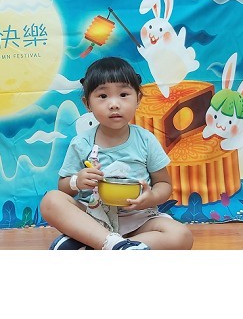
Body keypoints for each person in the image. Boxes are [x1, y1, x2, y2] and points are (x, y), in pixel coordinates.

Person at [40, 56, 194, 250]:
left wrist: (151, 198)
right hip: (94, 217)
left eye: (123, 94)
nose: (114, 104)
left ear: (138, 99)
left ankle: (101, 246)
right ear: (87, 104)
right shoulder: (82, 143)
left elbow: (164, 184)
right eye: (103, 96)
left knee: (182, 236)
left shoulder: (146, 140)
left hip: (139, 218)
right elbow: (63, 187)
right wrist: (77, 181)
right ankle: (114, 244)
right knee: (51, 200)